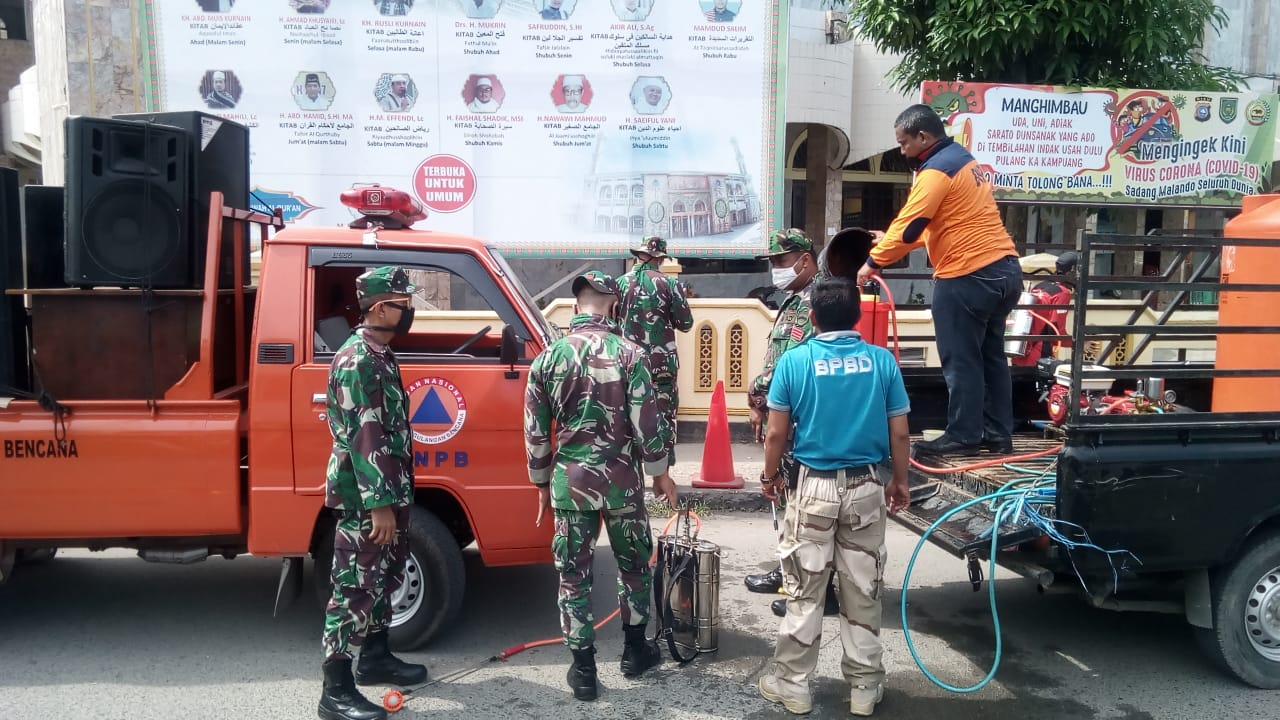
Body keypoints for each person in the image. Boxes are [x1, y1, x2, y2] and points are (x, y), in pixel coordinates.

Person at [756, 278, 911, 717]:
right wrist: (899, 481)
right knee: (862, 590)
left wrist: (770, 477)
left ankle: (793, 687)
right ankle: (864, 689)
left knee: (805, 591)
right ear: (857, 316)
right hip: (866, 487)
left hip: (814, 487)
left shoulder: (794, 361)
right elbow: (899, 431)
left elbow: (775, 433)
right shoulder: (882, 362)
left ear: (814, 318)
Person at [523, 270, 679, 702]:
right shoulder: (631, 354)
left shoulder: (549, 358)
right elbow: (647, 422)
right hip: (623, 485)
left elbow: (536, 432)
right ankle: (634, 652)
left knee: (574, 577)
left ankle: (584, 671)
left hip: (570, 485)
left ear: (576, 307)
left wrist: (540, 483)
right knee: (633, 567)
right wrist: (661, 473)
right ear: (613, 304)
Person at [857, 103, 1021, 456]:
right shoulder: (963, 160)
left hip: (967, 275)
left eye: (904, 144)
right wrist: (887, 237)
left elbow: (912, 224)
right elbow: (937, 225)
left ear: (923, 136)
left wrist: (873, 261)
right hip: (1004, 269)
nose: (902, 151)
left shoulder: (936, 171)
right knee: (991, 356)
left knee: (961, 359)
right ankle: (997, 435)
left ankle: (963, 435)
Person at [319, 267, 429, 720]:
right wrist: (380, 504)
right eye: (403, 305)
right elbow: (365, 436)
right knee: (354, 587)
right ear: (380, 307)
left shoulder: (381, 353)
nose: (409, 312)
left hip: (391, 491)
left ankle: (375, 657)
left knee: (386, 575)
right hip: (368, 499)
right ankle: (335, 690)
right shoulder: (357, 359)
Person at [742, 229, 840, 619]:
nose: (775, 268)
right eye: (772, 262)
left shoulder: (814, 300)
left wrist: (755, 392)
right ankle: (789, 572)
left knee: (805, 508)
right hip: (784, 414)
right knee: (787, 504)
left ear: (804, 258)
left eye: (781, 261)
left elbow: (791, 361)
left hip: (801, 421)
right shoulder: (794, 300)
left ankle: (819, 590)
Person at [615, 236, 694, 468]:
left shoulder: (618, 284)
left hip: (626, 362)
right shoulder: (671, 285)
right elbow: (686, 324)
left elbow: (609, 323)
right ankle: (664, 471)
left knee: (626, 411)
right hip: (662, 364)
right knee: (664, 414)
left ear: (637, 256)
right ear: (660, 258)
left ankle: (630, 468)